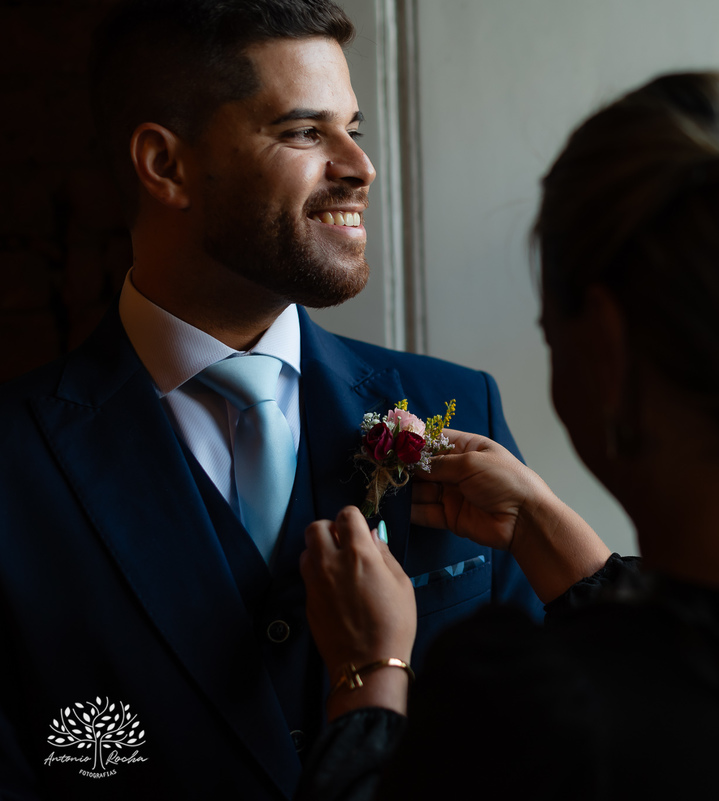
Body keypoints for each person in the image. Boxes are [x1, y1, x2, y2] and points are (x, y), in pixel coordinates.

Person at [0, 1, 539, 797]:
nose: (360, 166)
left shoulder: (455, 404)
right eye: (305, 132)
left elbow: (541, 745)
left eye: (354, 127)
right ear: (166, 166)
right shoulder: (14, 462)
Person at [295, 71, 719, 800]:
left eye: (550, 334)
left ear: (607, 353)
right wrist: (561, 542)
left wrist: (370, 678)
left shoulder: (532, 706)